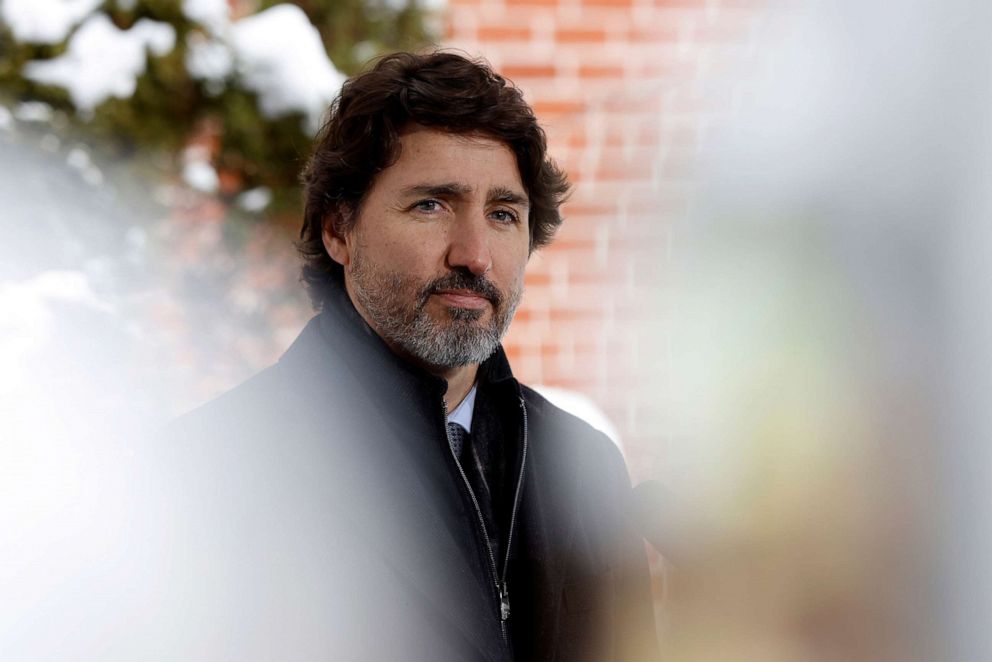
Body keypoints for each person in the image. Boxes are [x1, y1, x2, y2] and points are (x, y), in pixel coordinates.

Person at [155, 51, 658, 662]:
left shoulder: (583, 468)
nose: (474, 254)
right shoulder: (204, 475)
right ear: (340, 231)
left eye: (503, 214)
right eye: (432, 205)